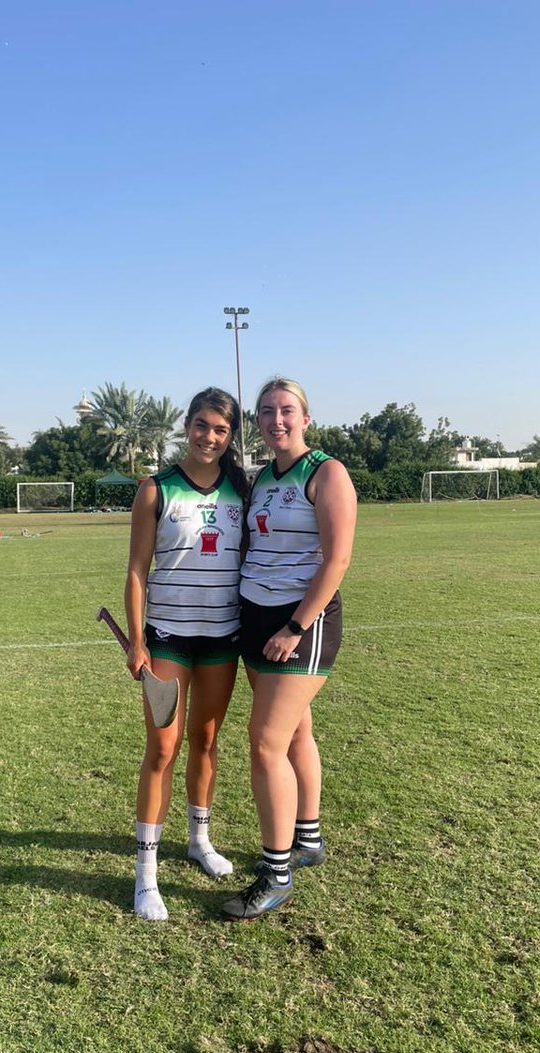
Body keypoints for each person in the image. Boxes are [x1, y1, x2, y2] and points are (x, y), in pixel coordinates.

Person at [221, 377, 357, 921]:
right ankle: (307, 839)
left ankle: (276, 874)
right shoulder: (260, 479)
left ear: (305, 418)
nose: (276, 420)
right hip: (254, 617)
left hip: (302, 622)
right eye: (265, 412)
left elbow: (336, 560)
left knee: (264, 743)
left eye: (286, 411)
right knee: (296, 731)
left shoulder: (327, 472)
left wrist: (295, 628)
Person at [124, 387, 249, 920]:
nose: (209, 437)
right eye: (202, 425)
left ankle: (199, 840)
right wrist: (136, 639)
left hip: (223, 637)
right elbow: (136, 569)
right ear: (187, 425)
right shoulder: (156, 489)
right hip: (169, 638)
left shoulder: (241, 488)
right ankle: (145, 876)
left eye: (220, 429)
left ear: (229, 436)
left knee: (206, 741)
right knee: (162, 749)